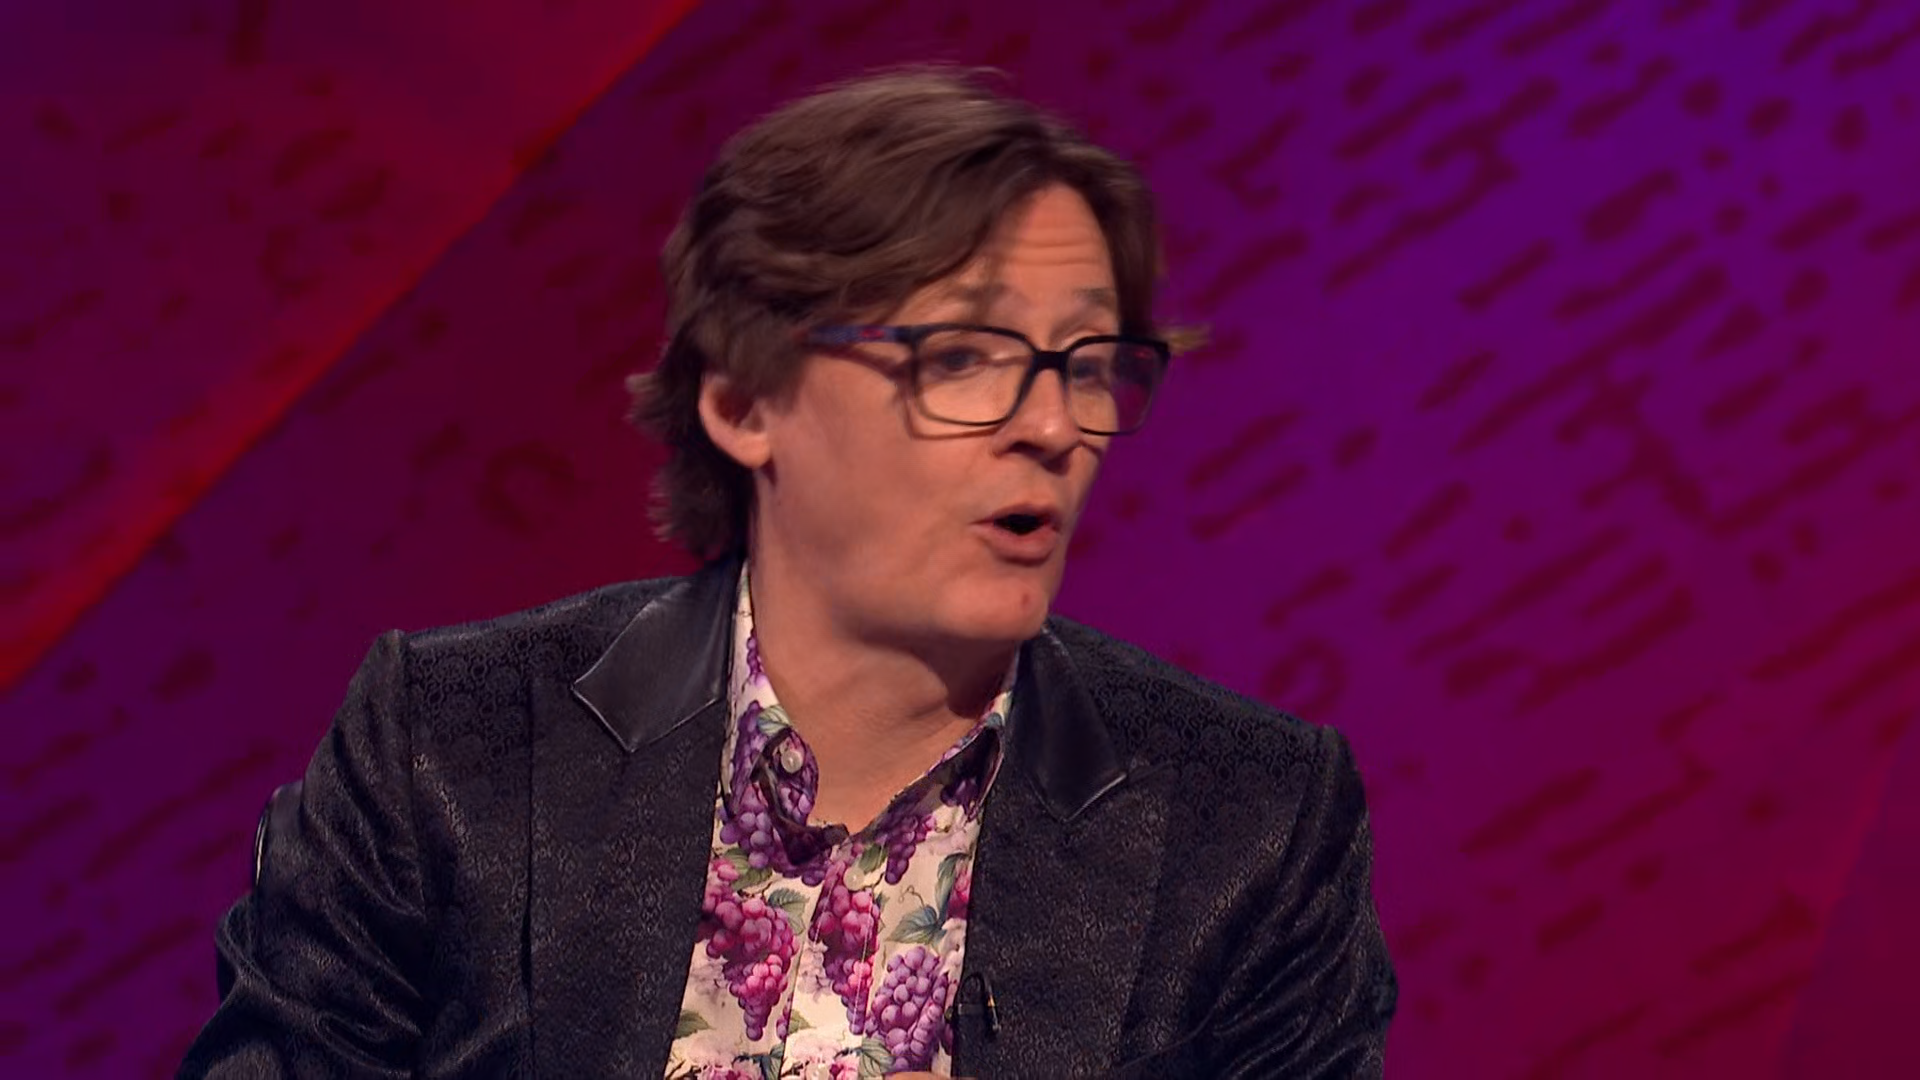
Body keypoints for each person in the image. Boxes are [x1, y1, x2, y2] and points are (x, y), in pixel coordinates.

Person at [180, 66, 1396, 1079]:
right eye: (962, 357)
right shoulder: (451, 744)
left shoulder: (1250, 825)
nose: (1052, 427)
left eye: (1085, 364)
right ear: (745, 401)